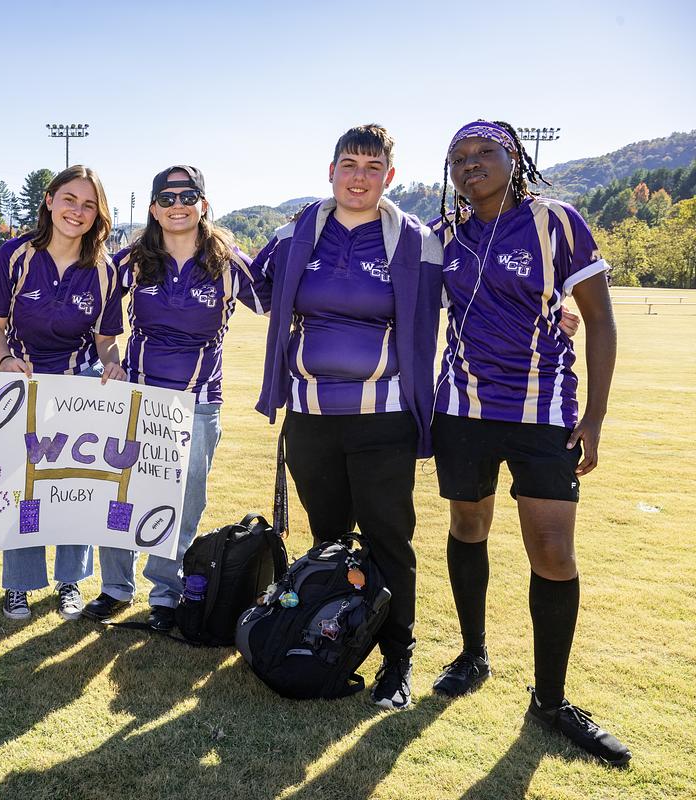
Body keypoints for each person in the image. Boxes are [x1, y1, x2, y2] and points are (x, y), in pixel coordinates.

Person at [429, 120, 629, 766]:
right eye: (459, 157)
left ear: (515, 159)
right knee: (468, 526)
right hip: (462, 409)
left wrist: (594, 419)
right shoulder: (445, 233)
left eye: (486, 153)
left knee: (552, 552)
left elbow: (598, 320)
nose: (471, 164)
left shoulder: (559, 222)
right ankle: (473, 653)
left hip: (545, 414)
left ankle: (550, 699)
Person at [255, 125, 444, 709]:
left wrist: (555, 309)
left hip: (382, 419)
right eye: (348, 164)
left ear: (389, 176)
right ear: (330, 171)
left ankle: (398, 659)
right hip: (311, 418)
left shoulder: (415, 241)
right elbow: (249, 286)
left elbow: (467, 298)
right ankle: (328, 643)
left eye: (371, 165)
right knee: (330, 540)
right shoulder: (295, 234)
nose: (359, 176)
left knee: (389, 539)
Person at [83, 165, 270, 631]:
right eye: (166, 198)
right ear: (153, 208)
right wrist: (107, 356)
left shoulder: (227, 260)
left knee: (181, 505)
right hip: (135, 400)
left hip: (197, 404)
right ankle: (115, 588)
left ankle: (164, 594)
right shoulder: (132, 260)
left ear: (204, 204)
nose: (177, 205)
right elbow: (97, 316)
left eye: (188, 196)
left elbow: (274, 300)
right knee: (120, 496)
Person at [0, 165, 125, 621]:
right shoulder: (15, 254)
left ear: (97, 213)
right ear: (49, 200)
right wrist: (5, 362)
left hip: (79, 386)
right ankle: (19, 585)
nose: (77, 212)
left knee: (76, 487)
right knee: (25, 490)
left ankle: (69, 582)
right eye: (69, 200)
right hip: (24, 385)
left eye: (88, 205)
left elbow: (105, 339)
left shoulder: (105, 268)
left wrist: (113, 363)